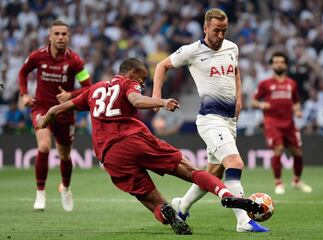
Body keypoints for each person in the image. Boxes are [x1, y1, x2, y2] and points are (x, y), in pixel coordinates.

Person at [36, 58, 264, 235]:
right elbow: (135, 100)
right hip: (133, 139)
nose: (143, 83)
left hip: (109, 156)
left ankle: (166, 213)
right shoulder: (127, 83)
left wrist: (41, 123)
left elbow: (56, 110)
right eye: (142, 78)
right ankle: (224, 193)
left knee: (150, 199)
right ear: (132, 72)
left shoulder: (93, 90)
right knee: (191, 171)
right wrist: (161, 102)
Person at [152, 8, 269, 232]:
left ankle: (181, 206)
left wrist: (239, 98)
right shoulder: (192, 51)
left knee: (212, 173)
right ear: (205, 28)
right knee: (235, 163)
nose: (221, 35)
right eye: (217, 30)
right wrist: (157, 97)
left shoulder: (232, 47)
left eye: (224, 30)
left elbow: (235, 72)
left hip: (229, 120)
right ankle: (243, 221)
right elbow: (161, 66)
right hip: (210, 119)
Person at [18, 20, 92, 211]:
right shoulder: (38, 56)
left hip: (65, 111)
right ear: (50, 36)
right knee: (43, 146)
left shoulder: (75, 61)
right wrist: (24, 94)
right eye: (56, 34)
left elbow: (89, 88)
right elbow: (23, 72)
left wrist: (70, 95)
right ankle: (40, 194)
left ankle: (66, 189)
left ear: (68, 37)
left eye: (64, 34)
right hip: (42, 108)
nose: (60, 37)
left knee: (65, 156)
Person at [252, 51, 313, 195]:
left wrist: (297, 111)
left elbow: (296, 102)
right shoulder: (265, 84)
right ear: (272, 65)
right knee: (278, 149)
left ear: (285, 65)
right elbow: (253, 101)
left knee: (298, 153)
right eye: (276, 62)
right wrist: (262, 105)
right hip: (272, 123)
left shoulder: (291, 84)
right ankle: (278, 182)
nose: (278, 64)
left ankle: (297, 180)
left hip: (289, 124)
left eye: (281, 62)